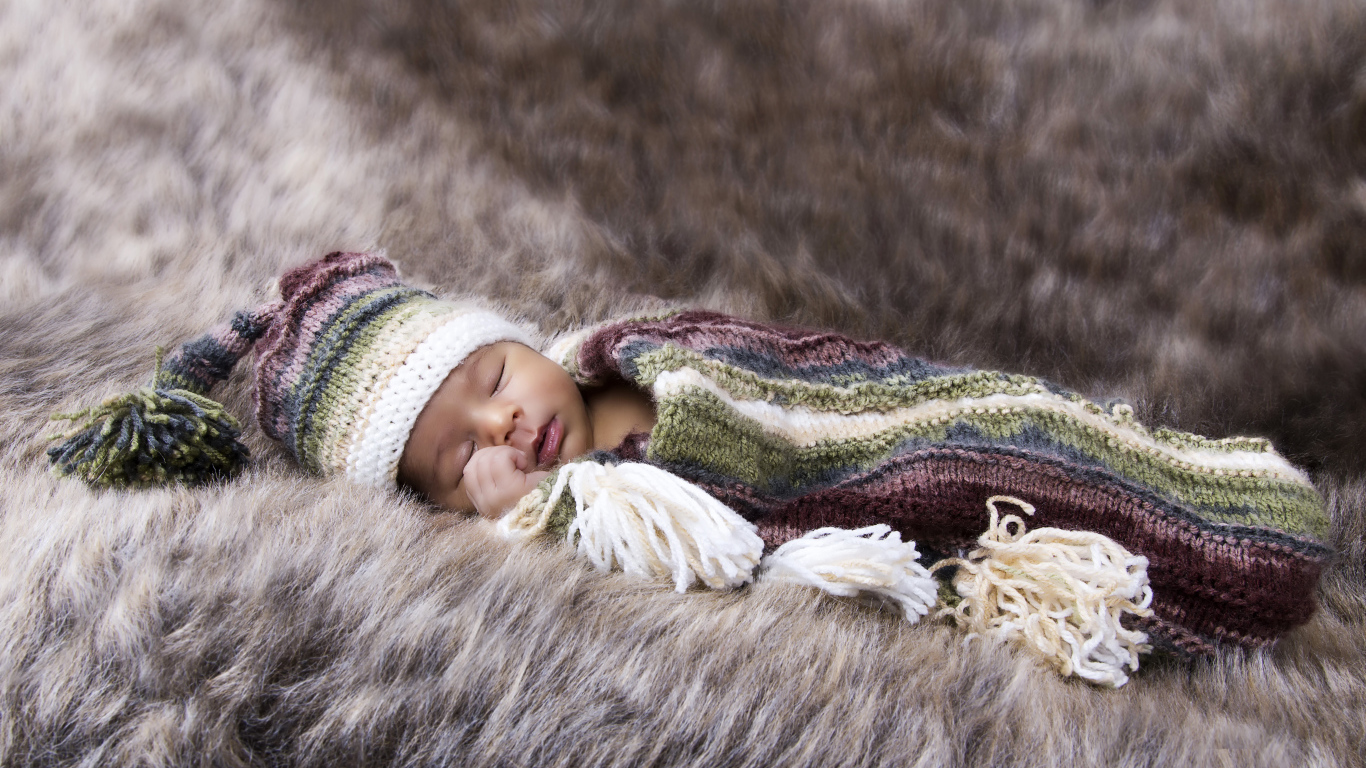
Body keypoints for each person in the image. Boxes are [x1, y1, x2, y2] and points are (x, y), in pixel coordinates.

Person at [48, 251, 1331, 687]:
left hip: (889, 421)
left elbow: (836, 382)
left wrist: (712, 402)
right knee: (1008, 515)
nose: (502, 432)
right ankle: (1178, 548)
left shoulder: (630, 351)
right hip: (894, 517)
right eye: (454, 459)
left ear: (516, 342)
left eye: (492, 384)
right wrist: (537, 513)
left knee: (999, 425)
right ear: (435, 505)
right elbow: (659, 555)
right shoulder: (570, 514)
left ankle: (1164, 472)